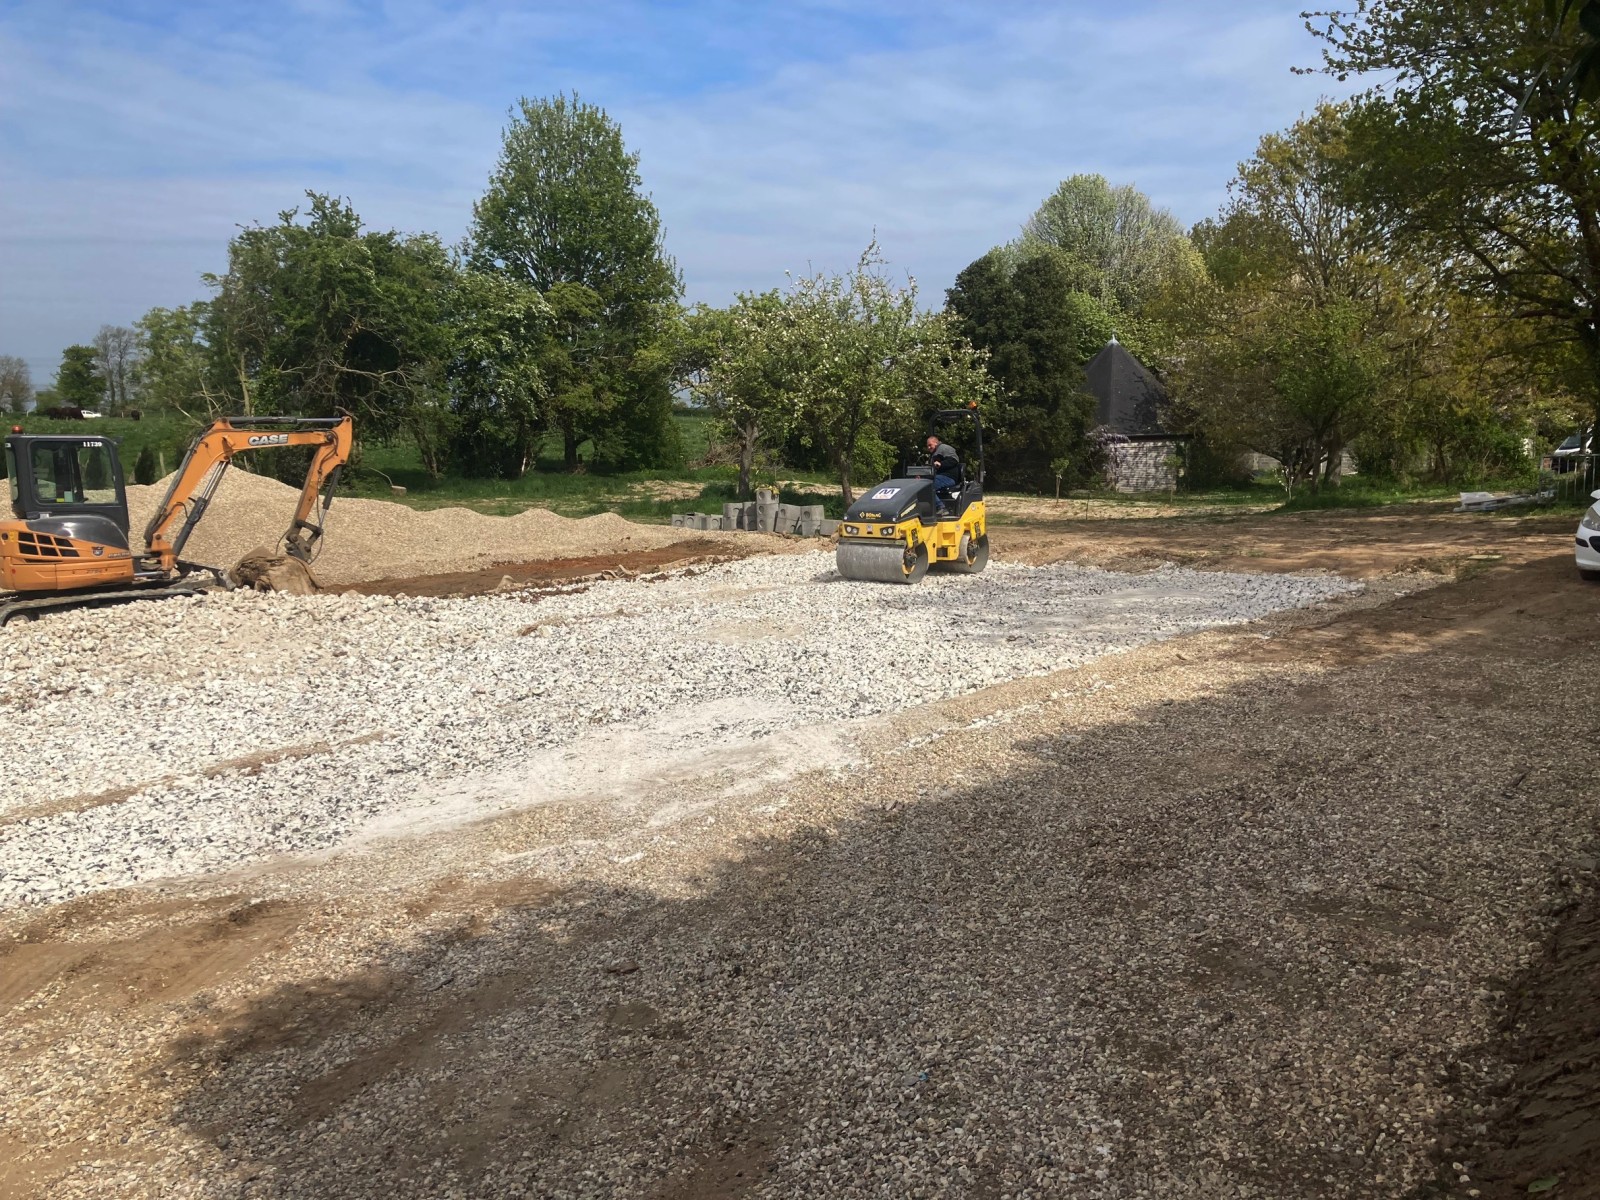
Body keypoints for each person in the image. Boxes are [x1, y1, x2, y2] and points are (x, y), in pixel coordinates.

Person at [926, 434, 961, 508]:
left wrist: (941, 464)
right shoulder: (933, 454)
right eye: (927, 446)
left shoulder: (944, 448)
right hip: (939, 477)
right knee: (922, 484)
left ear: (936, 442)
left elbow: (954, 460)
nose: (928, 447)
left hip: (948, 477)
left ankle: (941, 507)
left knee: (927, 487)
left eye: (930, 445)